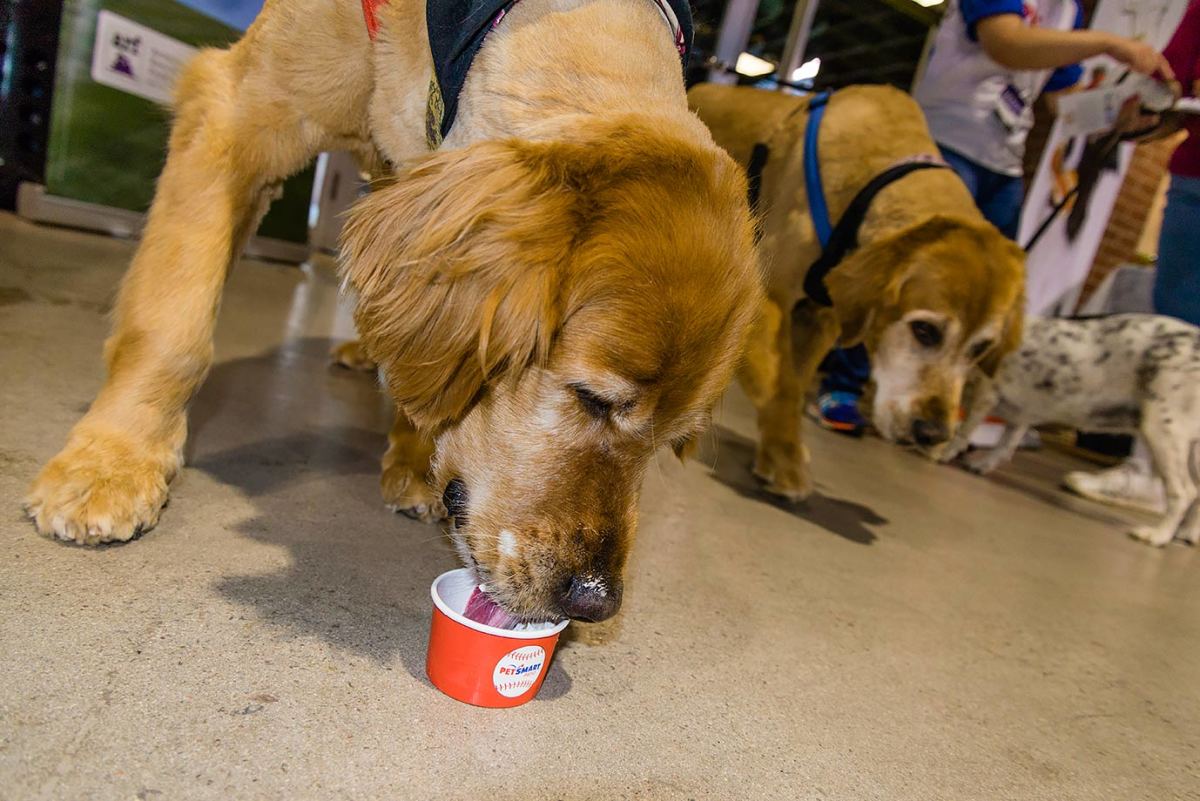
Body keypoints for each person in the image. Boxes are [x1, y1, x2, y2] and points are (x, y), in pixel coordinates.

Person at [811, 0, 1173, 437]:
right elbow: (1007, 43)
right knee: (902, 274)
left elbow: (1062, 105)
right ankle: (844, 386)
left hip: (1004, 165)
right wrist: (1111, 44)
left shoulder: (1068, 12)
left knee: (986, 297)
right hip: (943, 142)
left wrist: (1119, 114)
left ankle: (934, 402)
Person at [1064, 0, 1200, 512]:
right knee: (1179, 329)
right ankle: (1155, 472)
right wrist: (1140, 115)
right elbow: (1173, 91)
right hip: (1196, 181)